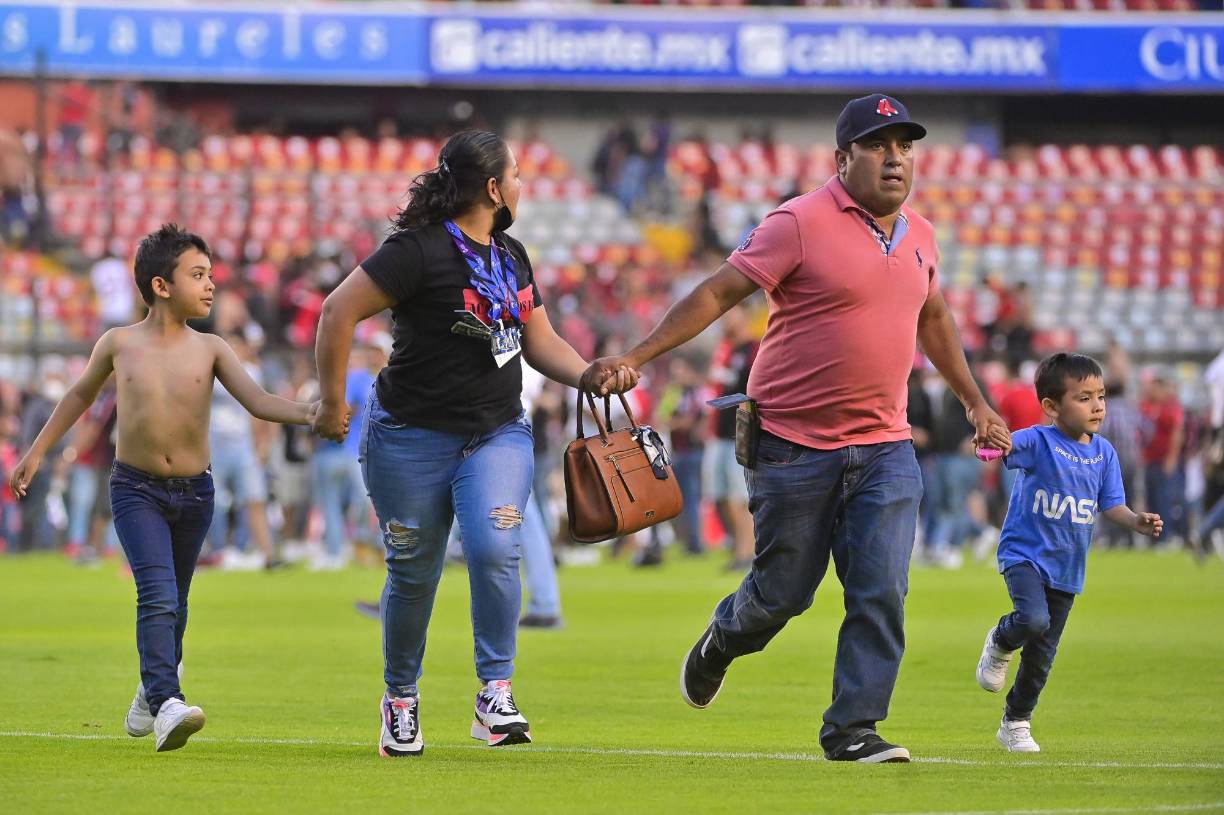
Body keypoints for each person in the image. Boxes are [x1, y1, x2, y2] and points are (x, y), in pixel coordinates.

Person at [581, 94, 1011, 763]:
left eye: (905, 146)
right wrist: (637, 357)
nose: (896, 157)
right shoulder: (798, 222)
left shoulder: (922, 234)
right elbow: (721, 292)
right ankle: (722, 639)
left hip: (886, 445)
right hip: (791, 446)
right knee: (781, 595)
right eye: (879, 145)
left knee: (881, 589)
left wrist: (974, 401)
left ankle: (853, 727)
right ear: (844, 157)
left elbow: (935, 318)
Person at [312, 130, 634, 758]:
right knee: (413, 572)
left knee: (494, 545)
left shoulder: (512, 255)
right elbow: (336, 313)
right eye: (515, 174)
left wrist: (588, 371)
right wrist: (331, 402)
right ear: (492, 188)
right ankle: (400, 698)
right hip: (408, 436)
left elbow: (539, 341)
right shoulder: (415, 252)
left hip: (495, 431)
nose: (522, 185)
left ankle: (495, 693)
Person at [8, 224, 320, 752]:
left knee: (177, 602)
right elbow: (78, 399)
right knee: (156, 594)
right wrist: (35, 453)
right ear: (161, 285)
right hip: (136, 490)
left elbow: (261, 401)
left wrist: (314, 414)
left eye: (211, 275)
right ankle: (168, 701)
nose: (210, 285)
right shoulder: (119, 343)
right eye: (198, 275)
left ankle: (147, 697)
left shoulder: (212, 348)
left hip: (196, 494)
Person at [975, 353, 1162, 752]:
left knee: (1042, 655)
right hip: (1024, 555)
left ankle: (1016, 721)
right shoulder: (1038, 440)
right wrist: (988, 442)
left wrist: (1136, 521)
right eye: (1084, 398)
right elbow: (1000, 448)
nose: (1097, 406)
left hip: (1067, 567)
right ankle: (1000, 641)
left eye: (1101, 396)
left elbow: (1111, 506)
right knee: (1031, 619)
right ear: (1051, 406)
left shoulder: (1104, 453)